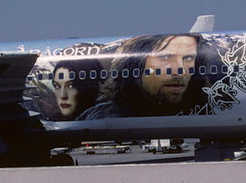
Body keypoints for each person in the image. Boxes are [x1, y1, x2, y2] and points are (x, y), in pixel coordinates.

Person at [78, 33, 219, 119]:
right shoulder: (101, 115)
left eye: (188, 58)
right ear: (136, 66)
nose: (179, 70)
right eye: (165, 57)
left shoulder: (204, 105)